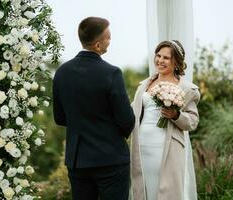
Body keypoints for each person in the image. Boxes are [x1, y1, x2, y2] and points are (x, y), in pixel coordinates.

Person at [53, 17, 135, 200]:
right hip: (110, 160)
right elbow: (127, 121)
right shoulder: (112, 73)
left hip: (78, 161)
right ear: (97, 45)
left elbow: (59, 117)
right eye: (108, 38)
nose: (110, 41)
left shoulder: (61, 72)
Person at [130, 40, 200, 200]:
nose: (160, 61)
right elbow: (132, 111)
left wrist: (175, 115)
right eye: (158, 56)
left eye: (166, 58)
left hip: (166, 149)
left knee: (166, 191)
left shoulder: (187, 89)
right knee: (145, 188)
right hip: (142, 146)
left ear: (176, 62)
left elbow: (193, 121)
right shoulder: (144, 85)